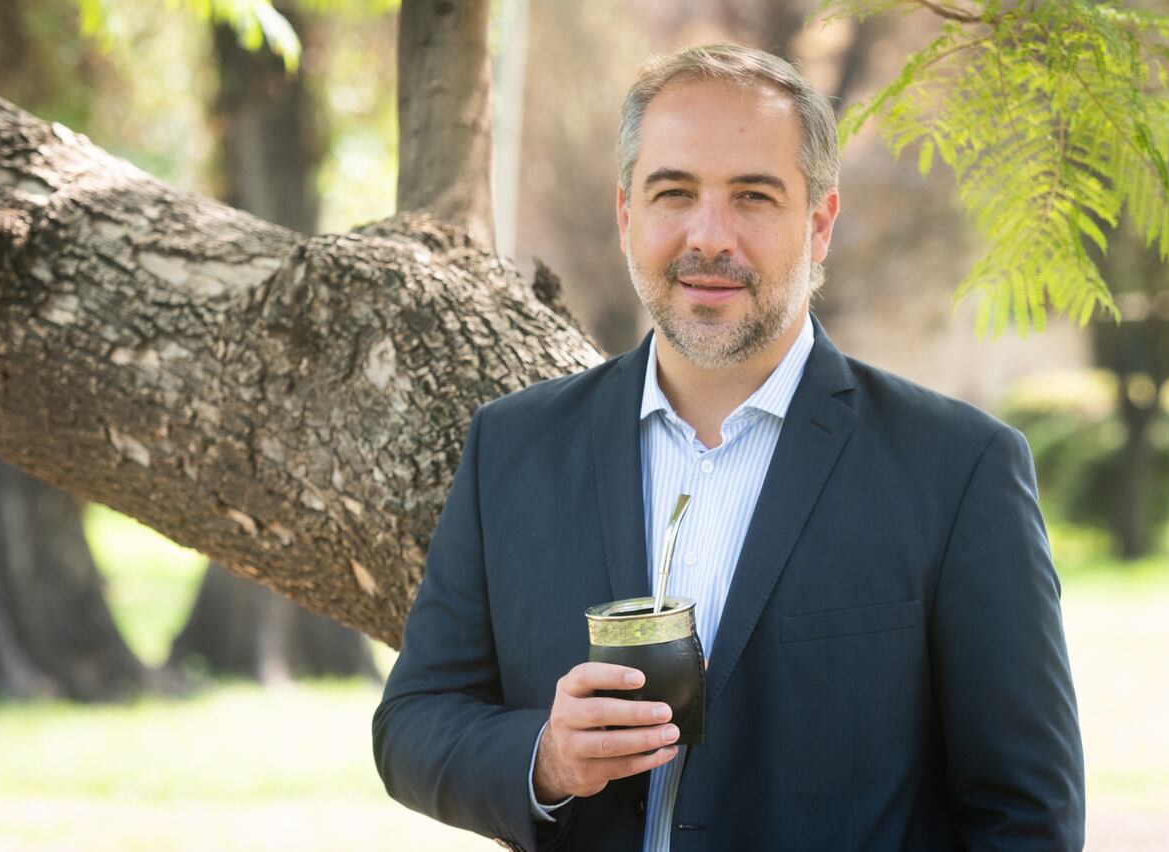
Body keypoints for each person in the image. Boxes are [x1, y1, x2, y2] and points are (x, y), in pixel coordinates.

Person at [372, 43, 1085, 851]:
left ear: (818, 224)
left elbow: (1029, 818)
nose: (710, 237)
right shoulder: (511, 449)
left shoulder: (959, 472)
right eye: (674, 192)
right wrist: (545, 758)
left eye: (753, 196)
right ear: (626, 215)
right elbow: (414, 722)